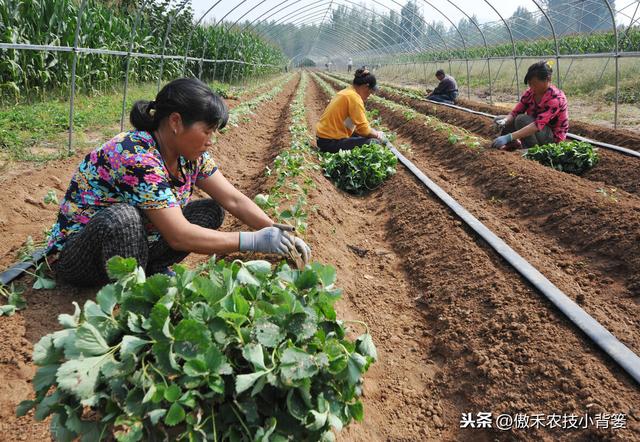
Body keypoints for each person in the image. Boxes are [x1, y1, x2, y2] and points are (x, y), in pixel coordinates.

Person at [48, 78, 311, 287]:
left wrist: (278, 233)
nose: (211, 140)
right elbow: (178, 235)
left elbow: (233, 199)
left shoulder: (191, 157)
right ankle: (132, 291)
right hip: (81, 256)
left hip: (138, 242)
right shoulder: (134, 155)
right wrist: (252, 241)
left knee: (210, 210)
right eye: (206, 131)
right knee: (123, 219)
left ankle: (149, 269)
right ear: (175, 122)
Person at [492, 61, 568, 150]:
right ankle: (514, 144)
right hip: (535, 129)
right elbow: (516, 112)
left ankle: (531, 149)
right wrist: (505, 120)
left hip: (551, 138)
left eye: (535, 84)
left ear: (548, 79)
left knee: (521, 119)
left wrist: (509, 137)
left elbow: (537, 125)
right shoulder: (530, 93)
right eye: (530, 84)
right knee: (499, 119)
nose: (532, 87)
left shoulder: (556, 98)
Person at [315, 67, 387, 153]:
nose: (369, 95)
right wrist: (378, 135)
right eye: (370, 92)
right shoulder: (354, 98)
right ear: (365, 87)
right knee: (374, 142)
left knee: (362, 135)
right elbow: (364, 130)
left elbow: (355, 125)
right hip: (329, 143)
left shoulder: (347, 92)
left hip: (323, 139)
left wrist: (371, 132)